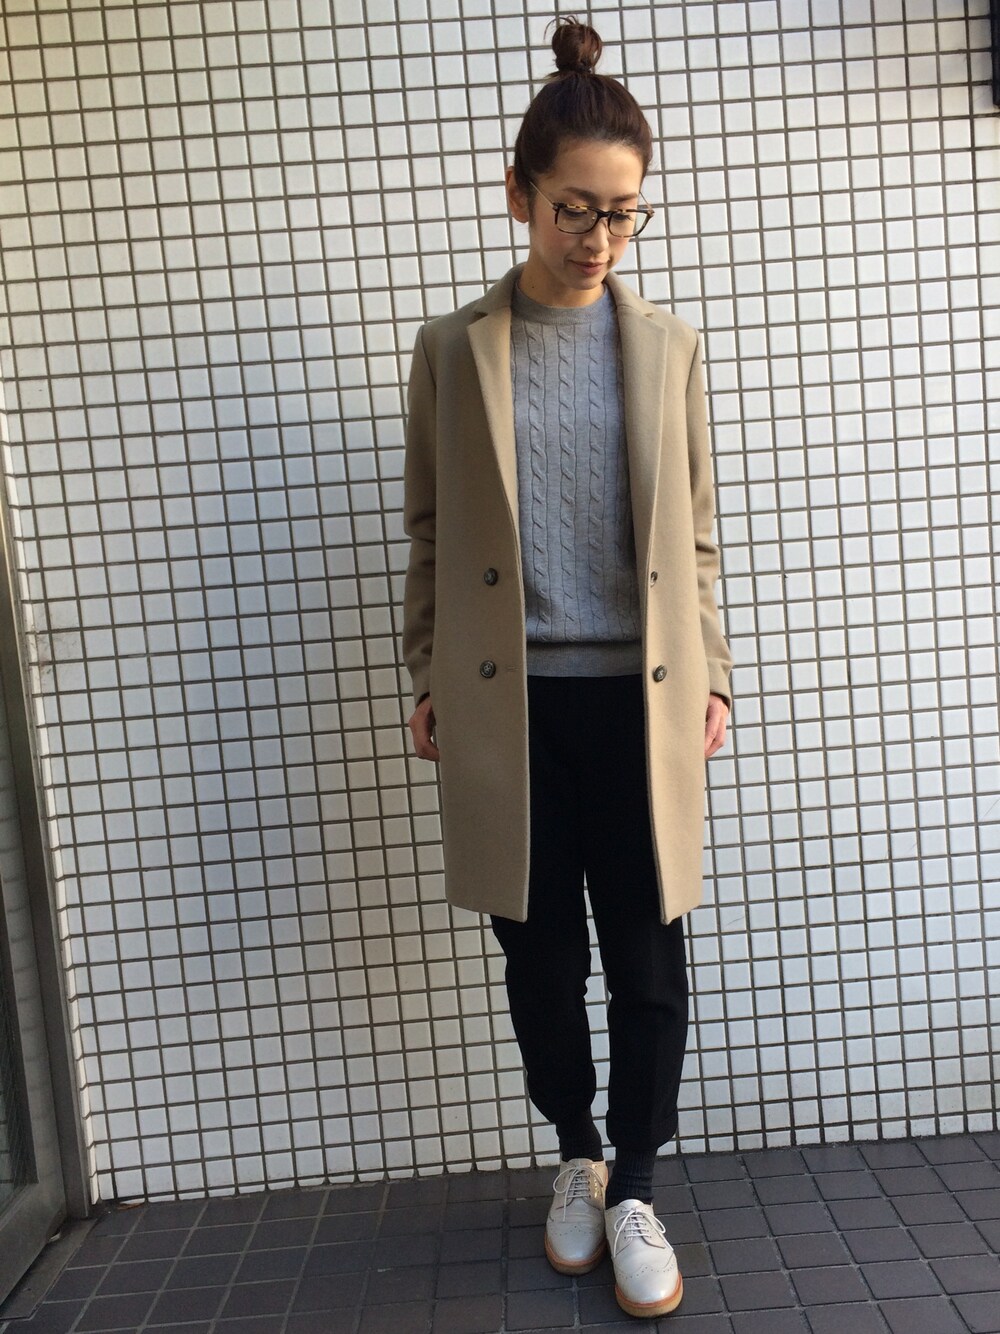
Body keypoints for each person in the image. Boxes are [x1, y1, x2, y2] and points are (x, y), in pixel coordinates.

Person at [401, 16, 732, 1321]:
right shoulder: (454, 350)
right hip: (513, 710)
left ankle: (637, 1183)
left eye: (624, 213)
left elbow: (695, 533)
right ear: (520, 194)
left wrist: (714, 675)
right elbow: (430, 528)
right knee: (539, 959)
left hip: (639, 706)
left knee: (647, 957)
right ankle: (577, 1154)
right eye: (575, 209)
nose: (599, 238)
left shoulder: (668, 349)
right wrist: (424, 667)